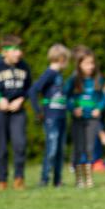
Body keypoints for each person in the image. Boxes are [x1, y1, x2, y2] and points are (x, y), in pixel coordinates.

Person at [28, 44, 71, 187]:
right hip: (51, 117)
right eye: (66, 59)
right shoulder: (50, 73)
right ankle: (44, 179)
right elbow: (33, 91)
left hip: (61, 117)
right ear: (61, 58)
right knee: (51, 149)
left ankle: (57, 181)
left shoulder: (58, 75)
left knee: (60, 150)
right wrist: (38, 112)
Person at [65, 48, 105, 188]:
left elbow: (103, 97)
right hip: (78, 119)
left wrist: (99, 108)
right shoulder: (74, 79)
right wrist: (73, 108)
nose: (90, 66)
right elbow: (66, 96)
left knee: (90, 148)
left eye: (92, 63)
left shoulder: (98, 79)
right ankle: (79, 180)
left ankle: (89, 180)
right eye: (87, 64)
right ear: (79, 65)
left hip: (92, 120)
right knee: (78, 148)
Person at [0, 35, 31, 190]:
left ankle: (19, 178)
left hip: (17, 112)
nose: (18, 53)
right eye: (14, 50)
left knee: (20, 144)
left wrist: (21, 100)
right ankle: (1, 180)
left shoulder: (24, 66)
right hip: (1, 112)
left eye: (19, 49)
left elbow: (29, 88)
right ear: (4, 52)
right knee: (1, 148)